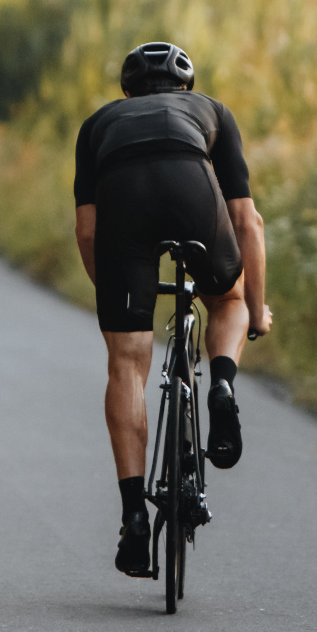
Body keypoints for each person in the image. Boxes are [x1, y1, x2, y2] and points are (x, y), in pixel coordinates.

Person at [72, 42, 270, 576]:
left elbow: (87, 230)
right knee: (225, 299)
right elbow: (247, 221)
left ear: (127, 91)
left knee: (127, 364)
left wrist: (115, 295)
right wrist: (255, 307)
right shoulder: (212, 112)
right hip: (192, 190)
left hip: (125, 204)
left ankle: (134, 515)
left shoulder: (98, 124)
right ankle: (222, 386)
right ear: (186, 87)